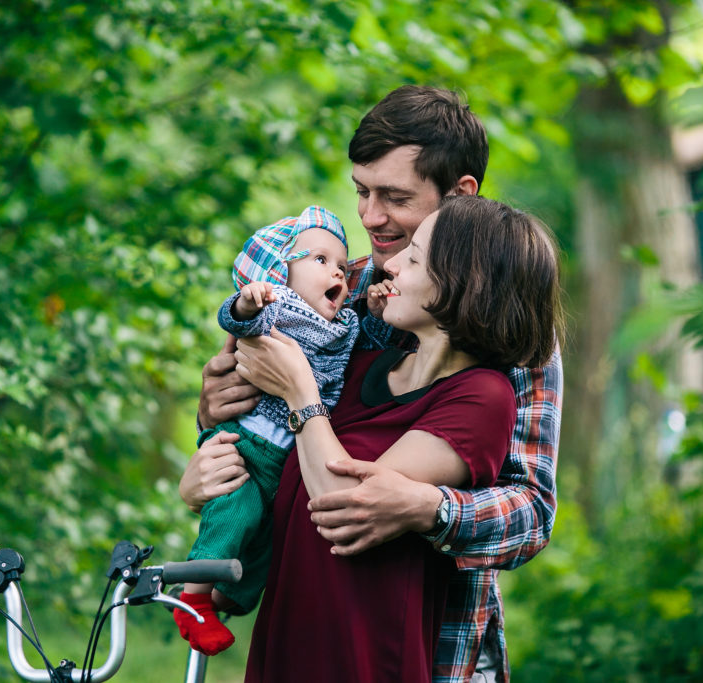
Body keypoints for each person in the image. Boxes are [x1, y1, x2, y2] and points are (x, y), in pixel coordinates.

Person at [182, 85, 564, 681]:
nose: (369, 216)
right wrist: (211, 429)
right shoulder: (329, 294)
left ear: (460, 195)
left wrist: (426, 506)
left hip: (428, 641)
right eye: (362, 191)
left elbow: (532, 514)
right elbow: (262, 438)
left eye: (394, 197)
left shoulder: (514, 339)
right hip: (301, 621)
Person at [174, 206, 360, 656]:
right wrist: (248, 300)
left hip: (285, 461)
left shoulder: (344, 323)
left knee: (265, 547)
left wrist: (368, 303)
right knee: (236, 511)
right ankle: (193, 597)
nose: (336, 270)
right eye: (318, 260)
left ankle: (224, 602)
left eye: (340, 265)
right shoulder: (276, 306)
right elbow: (236, 323)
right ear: (278, 272)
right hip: (246, 443)